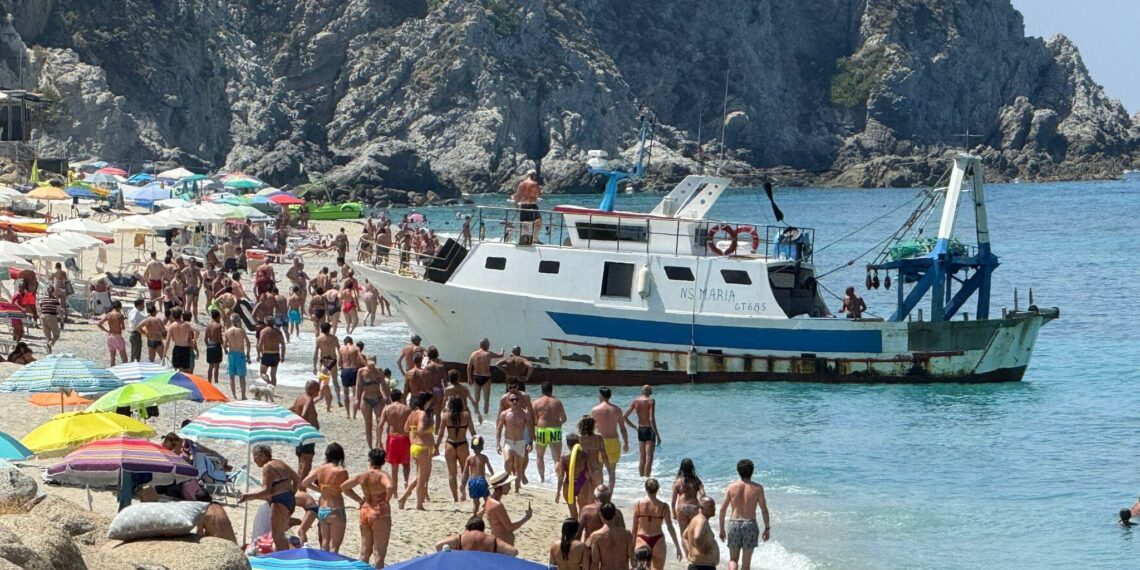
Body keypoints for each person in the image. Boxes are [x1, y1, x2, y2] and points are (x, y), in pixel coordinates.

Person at [238, 445, 300, 552]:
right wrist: (291, 493)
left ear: (262, 455)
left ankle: (283, 562)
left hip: (279, 501)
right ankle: (286, 558)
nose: (254, 460)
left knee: (277, 536)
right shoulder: (280, 463)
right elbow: (297, 479)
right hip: (289, 500)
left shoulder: (267, 467)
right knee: (280, 534)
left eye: (255, 457)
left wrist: (248, 496)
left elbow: (265, 491)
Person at [342, 448, 396, 567]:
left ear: (370, 460)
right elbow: (390, 487)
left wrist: (359, 500)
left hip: (365, 510)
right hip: (379, 512)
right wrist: (386, 501)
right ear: (383, 461)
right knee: (379, 553)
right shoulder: (382, 475)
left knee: (364, 552)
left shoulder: (363, 475)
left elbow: (344, 486)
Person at [719, 459, 770, 570]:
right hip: (750, 524)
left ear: (738, 471)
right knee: (746, 564)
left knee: (733, 560)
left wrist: (722, 529)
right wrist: (767, 528)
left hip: (734, 524)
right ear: (752, 471)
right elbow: (764, 510)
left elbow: (722, 510)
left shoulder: (731, 487)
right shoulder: (757, 488)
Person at [301, 443, 349, 553]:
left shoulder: (320, 469)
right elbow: (346, 489)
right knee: (334, 547)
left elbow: (304, 483)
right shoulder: (341, 471)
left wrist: (321, 489)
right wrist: (359, 500)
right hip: (335, 509)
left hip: (322, 510)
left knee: (324, 545)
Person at [632, 478, 682, 569]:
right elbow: (670, 527)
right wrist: (678, 547)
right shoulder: (664, 506)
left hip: (641, 539)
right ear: (658, 489)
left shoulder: (638, 505)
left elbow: (634, 529)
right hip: (658, 539)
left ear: (646, 488)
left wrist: (630, 549)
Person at [399, 392, 435, 511]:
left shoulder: (412, 413)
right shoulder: (423, 414)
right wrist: (429, 429)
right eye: (430, 401)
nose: (431, 404)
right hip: (423, 447)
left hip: (414, 446)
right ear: (426, 401)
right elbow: (420, 430)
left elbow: (405, 429)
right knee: (422, 477)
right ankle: (419, 504)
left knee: (420, 475)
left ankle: (404, 497)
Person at [436, 396, 475, 503]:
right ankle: (463, 493)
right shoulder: (466, 415)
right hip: (462, 444)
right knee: (465, 471)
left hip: (450, 445)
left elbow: (440, 434)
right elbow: (473, 432)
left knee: (452, 474)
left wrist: (436, 447)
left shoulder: (445, 416)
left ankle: (455, 498)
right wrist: (477, 446)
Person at [591, 387, 628, 489]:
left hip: (599, 441)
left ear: (601, 396)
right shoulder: (617, 410)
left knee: (599, 469)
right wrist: (626, 442)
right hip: (614, 441)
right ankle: (609, 496)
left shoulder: (595, 410)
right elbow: (623, 429)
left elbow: (592, 428)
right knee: (612, 471)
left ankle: (600, 494)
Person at [496, 389, 532, 493]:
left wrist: (530, 442)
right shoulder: (504, 414)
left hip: (520, 443)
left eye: (516, 399)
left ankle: (516, 489)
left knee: (518, 467)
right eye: (512, 400)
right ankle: (506, 484)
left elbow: (529, 428)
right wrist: (497, 444)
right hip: (509, 442)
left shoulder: (524, 413)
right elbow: (499, 429)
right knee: (507, 462)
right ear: (508, 401)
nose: (515, 402)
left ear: (520, 400)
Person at [483, 471, 532, 545]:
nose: (510, 488)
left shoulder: (489, 500)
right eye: (508, 484)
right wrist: (527, 517)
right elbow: (510, 528)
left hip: (497, 541)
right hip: (502, 544)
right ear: (502, 486)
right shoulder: (497, 505)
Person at [377, 389, 412, 491]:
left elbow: (380, 426)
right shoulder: (407, 409)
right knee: (406, 464)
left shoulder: (387, 408)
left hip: (392, 438)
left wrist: (379, 441)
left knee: (394, 467)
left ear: (391, 398)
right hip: (404, 437)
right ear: (401, 397)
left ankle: (395, 491)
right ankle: (405, 481)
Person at [533, 381, 567, 484]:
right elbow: (564, 418)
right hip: (555, 431)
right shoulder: (557, 402)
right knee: (556, 459)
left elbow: (533, 421)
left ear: (541, 389)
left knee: (540, 456)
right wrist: (558, 425)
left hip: (541, 431)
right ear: (552, 389)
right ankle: (559, 480)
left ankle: (542, 479)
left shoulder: (536, 402)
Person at [434, 516, 518, 556]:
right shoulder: (492, 540)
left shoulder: (460, 538)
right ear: (483, 529)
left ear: (467, 528)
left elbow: (438, 546)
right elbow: (513, 552)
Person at [625, 385, 661, 478]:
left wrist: (634, 427)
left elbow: (625, 417)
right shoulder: (651, 401)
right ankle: (647, 480)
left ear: (642, 391)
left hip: (640, 429)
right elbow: (651, 419)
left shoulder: (635, 401)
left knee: (642, 458)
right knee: (649, 458)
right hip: (649, 430)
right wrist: (657, 434)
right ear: (649, 392)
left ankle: (640, 480)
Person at [587, 502, 634, 570]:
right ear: (615, 515)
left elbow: (595, 562)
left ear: (601, 515)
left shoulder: (595, 536)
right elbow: (632, 559)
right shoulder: (627, 534)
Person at [356, 357, 390, 449]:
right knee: (368, 423)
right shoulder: (361, 371)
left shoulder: (379, 371)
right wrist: (357, 400)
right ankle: (370, 447)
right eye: (369, 363)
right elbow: (358, 386)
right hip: (366, 399)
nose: (371, 365)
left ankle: (378, 442)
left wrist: (389, 398)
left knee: (380, 421)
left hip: (378, 399)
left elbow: (384, 385)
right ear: (366, 362)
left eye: (373, 363)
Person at [290, 381, 321, 480]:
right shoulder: (309, 400)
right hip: (307, 434)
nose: (319, 392)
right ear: (311, 389)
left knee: (301, 462)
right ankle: (302, 488)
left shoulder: (300, 397)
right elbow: (304, 414)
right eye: (317, 389)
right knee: (307, 464)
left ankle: (298, 487)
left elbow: (291, 409)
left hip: (299, 433)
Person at [683, 497, 720, 570]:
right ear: (701, 508)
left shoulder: (696, 519)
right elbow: (697, 537)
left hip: (696, 565)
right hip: (703, 567)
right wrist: (703, 548)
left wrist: (690, 551)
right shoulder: (701, 520)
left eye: (714, 506)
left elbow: (684, 536)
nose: (714, 508)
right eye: (710, 506)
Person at [671, 458, 706, 536]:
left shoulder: (677, 482)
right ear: (692, 467)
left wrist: (674, 513)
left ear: (681, 468)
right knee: (694, 534)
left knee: (683, 535)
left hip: (681, 508)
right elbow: (703, 495)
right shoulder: (696, 480)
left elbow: (673, 501)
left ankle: (686, 548)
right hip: (694, 507)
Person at [460, 435, 493, 514]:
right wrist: (494, 477)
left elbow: (465, 473)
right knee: (488, 501)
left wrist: (462, 485)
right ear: (482, 447)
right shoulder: (484, 457)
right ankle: (482, 512)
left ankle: (474, 515)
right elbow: (490, 469)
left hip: (472, 482)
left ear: (472, 447)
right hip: (481, 481)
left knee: (476, 503)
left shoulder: (469, 458)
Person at [557, 434, 588, 519]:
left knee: (573, 513)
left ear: (567, 444)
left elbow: (561, 477)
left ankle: (575, 530)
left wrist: (558, 492)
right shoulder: (585, 455)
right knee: (583, 510)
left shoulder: (564, 457)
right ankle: (581, 530)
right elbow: (589, 472)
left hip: (568, 484)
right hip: (582, 483)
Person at [313, 322, 343, 407]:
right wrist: (341, 362)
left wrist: (314, 365)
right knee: (335, 382)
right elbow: (339, 351)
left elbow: (315, 353)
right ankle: (338, 400)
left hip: (325, 361)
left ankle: (320, 398)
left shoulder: (319, 339)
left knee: (323, 381)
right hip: (333, 360)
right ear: (329, 329)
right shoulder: (334, 338)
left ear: (321, 329)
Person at [577, 416, 605, 503]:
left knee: (583, 496)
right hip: (597, 469)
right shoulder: (599, 438)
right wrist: (602, 466)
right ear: (593, 426)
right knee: (597, 495)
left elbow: (577, 457)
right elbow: (604, 455)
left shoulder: (579, 439)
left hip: (583, 470)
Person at [223, 315, 250, 400]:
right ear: (238, 321)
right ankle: (243, 396)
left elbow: (224, 345)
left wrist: (225, 350)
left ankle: (234, 396)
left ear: (231, 321)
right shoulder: (242, 331)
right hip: (240, 354)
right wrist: (248, 354)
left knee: (232, 376)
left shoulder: (227, 331)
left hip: (231, 354)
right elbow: (248, 343)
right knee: (242, 377)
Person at [512, 169, 542, 244]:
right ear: (534, 176)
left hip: (523, 206)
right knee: (538, 222)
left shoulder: (521, 184)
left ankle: (524, 239)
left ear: (527, 175)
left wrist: (516, 205)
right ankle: (535, 239)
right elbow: (539, 194)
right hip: (532, 205)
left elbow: (517, 196)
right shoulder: (534, 184)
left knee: (525, 223)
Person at [338, 336, 364, 419]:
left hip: (345, 370)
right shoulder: (356, 348)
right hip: (354, 370)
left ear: (345, 342)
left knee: (346, 394)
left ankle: (347, 414)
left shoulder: (341, 349)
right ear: (352, 342)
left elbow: (339, 363)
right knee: (354, 394)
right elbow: (361, 359)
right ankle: (354, 415)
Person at [97, 300, 129, 366]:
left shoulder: (108, 314)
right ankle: (126, 370)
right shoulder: (119, 315)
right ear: (119, 307)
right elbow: (123, 328)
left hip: (110, 336)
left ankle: (112, 371)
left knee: (112, 357)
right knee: (123, 356)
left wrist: (107, 331)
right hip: (118, 336)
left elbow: (99, 324)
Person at [257, 317, 286, 385]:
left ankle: (269, 383)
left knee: (262, 373)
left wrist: (258, 355)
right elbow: (283, 344)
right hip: (276, 354)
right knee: (273, 375)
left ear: (266, 322)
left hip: (266, 354)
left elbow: (260, 344)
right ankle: (272, 391)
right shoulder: (278, 332)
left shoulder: (263, 331)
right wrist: (282, 356)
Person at [166, 308, 196, 373]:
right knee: (185, 370)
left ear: (173, 316)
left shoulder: (171, 326)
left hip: (177, 348)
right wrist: (194, 339)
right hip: (185, 348)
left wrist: (164, 353)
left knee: (177, 371)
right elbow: (198, 331)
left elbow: (167, 342)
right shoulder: (186, 325)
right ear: (181, 315)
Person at [204, 310, 224, 385]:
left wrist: (208, 346)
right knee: (216, 367)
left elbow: (205, 339)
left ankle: (209, 382)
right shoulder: (218, 326)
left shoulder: (208, 326)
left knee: (210, 366)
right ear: (218, 317)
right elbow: (219, 338)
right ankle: (216, 381)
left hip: (210, 346)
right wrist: (224, 346)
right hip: (216, 346)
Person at [38, 287, 61, 353]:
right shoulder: (55, 300)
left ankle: (49, 351)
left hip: (43, 317)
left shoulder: (43, 300)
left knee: (48, 337)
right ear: (53, 291)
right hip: (51, 317)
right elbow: (58, 310)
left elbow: (40, 308)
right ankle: (50, 344)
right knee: (56, 335)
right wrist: (61, 318)